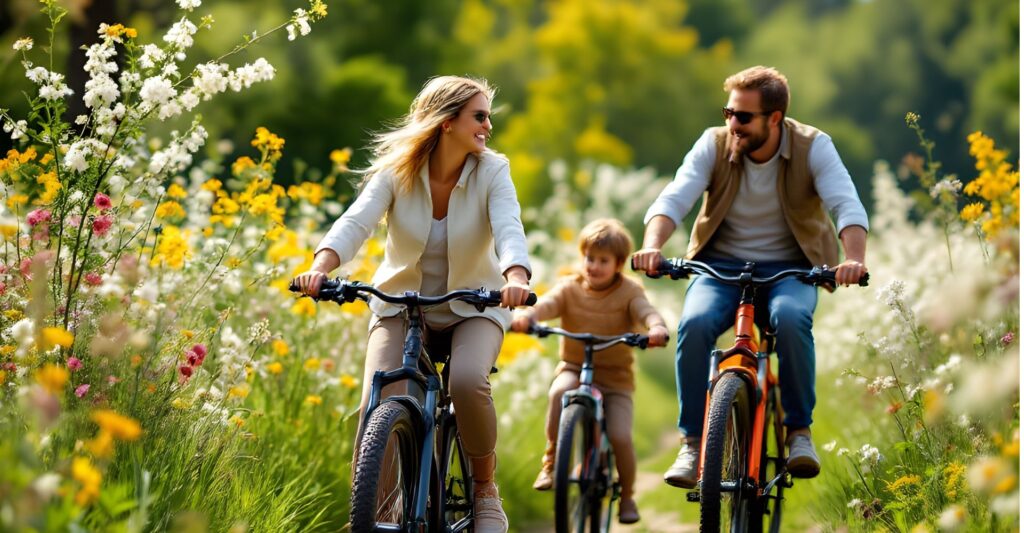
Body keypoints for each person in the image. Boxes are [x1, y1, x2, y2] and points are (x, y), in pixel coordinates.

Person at [293, 76, 532, 532]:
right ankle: (378, 517)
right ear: (446, 122)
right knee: (379, 398)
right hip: (402, 305)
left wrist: (515, 276)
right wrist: (320, 267)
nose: (488, 126)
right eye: (479, 116)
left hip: (475, 304)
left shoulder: (492, 171)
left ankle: (485, 489)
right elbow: (357, 221)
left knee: (467, 380)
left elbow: (509, 227)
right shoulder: (396, 171)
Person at [631, 66, 869, 489]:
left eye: (742, 116)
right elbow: (675, 197)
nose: (732, 124)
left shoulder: (813, 146)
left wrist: (854, 258)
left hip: (791, 268)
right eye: (728, 113)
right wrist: (652, 245)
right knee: (694, 324)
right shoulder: (714, 143)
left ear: (774, 118)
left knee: (792, 319)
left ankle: (798, 433)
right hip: (719, 266)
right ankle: (692, 442)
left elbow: (845, 204)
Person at [510, 218, 669, 524]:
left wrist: (656, 327)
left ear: (619, 264)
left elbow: (646, 312)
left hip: (615, 379)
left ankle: (627, 495)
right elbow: (547, 304)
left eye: (603, 261)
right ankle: (551, 460)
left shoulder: (629, 292)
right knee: (559, 391)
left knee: (620, 435)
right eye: (589, 258)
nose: (593, 266)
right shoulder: (570, 287)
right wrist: (528, 317)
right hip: (574, 366)